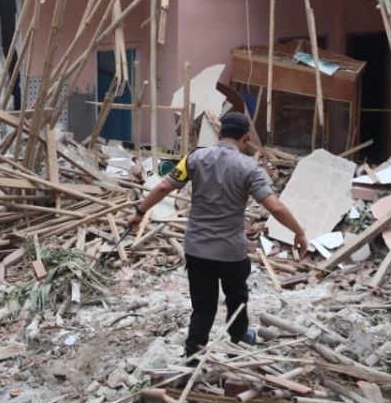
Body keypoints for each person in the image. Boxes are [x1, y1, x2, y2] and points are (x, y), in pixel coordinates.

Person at [129, 112, 308, 361]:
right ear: (246, 137)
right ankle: (239, 336)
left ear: (220, 133)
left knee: (203, 306)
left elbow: (162, 186)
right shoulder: (249, 167)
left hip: (197, 248)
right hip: (231, 251)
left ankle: (193, 354)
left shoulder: (195, 158)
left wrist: (140, 212)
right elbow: (275, 207)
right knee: (237, 296)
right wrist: (298, 232)